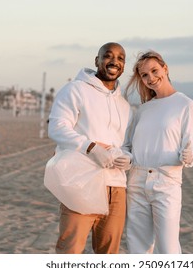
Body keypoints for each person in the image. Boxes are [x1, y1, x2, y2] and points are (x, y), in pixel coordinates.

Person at [47, 42, 132, 254]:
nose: (114, 61)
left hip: (116, 187)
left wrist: (128, 157)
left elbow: (127, 144)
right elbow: (57, 127)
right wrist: (91, 147)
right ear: (97, 60)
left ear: (124, 65)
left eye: (120, 58)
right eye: (108, 56)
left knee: (108, 254)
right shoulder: (75, 89)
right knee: (70, 251)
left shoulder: (125, 105)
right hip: (82, 182)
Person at [123, 50, 193, 254]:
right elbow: (128, 145)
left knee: (168, 248)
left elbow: (191, 147)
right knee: (137, 246)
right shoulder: (143, 110)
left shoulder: (186, 105)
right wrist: (124, 157)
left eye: (154, 70)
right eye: (144, 75)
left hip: (166, 182)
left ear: (165, 68)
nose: (150, 78)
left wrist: (190, 155)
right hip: (136, 181)